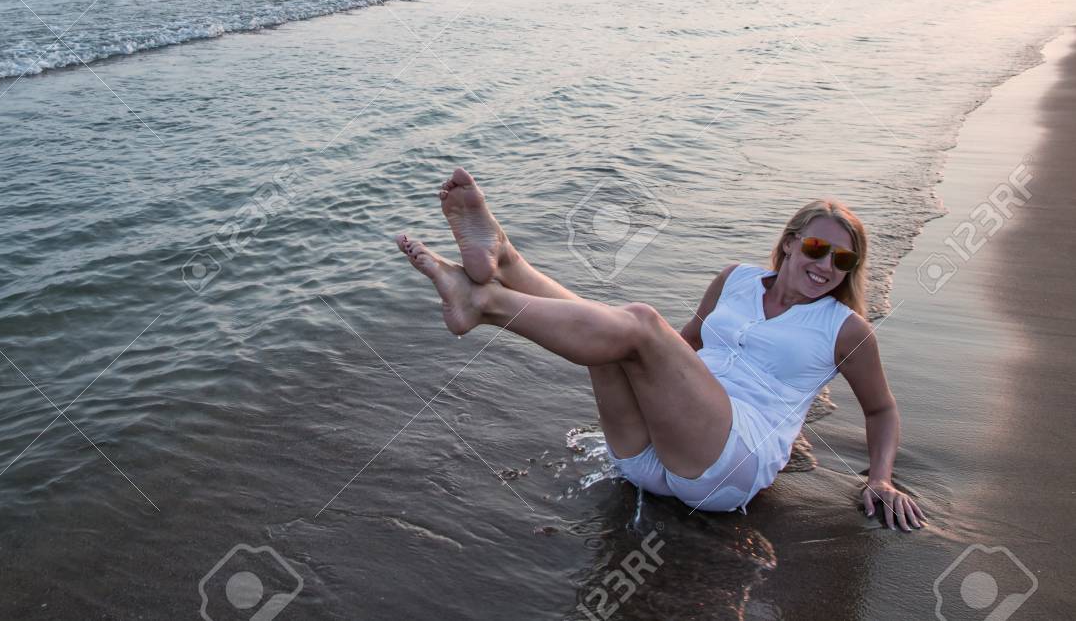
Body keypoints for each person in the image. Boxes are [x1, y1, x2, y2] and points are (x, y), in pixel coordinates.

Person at [395, 168, 927, 529]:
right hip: (645, 457)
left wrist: (879, 478)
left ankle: (484, 302)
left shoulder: (845, 328)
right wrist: (647, 351)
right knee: (621, 338)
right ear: (790, 242)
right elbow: (681, 346)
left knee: (639, 323)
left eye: (842, 261)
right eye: (816, 247)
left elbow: (881, 409)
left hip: (728, 466)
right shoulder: (736, 279)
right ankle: (507, 262)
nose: (825, 266)